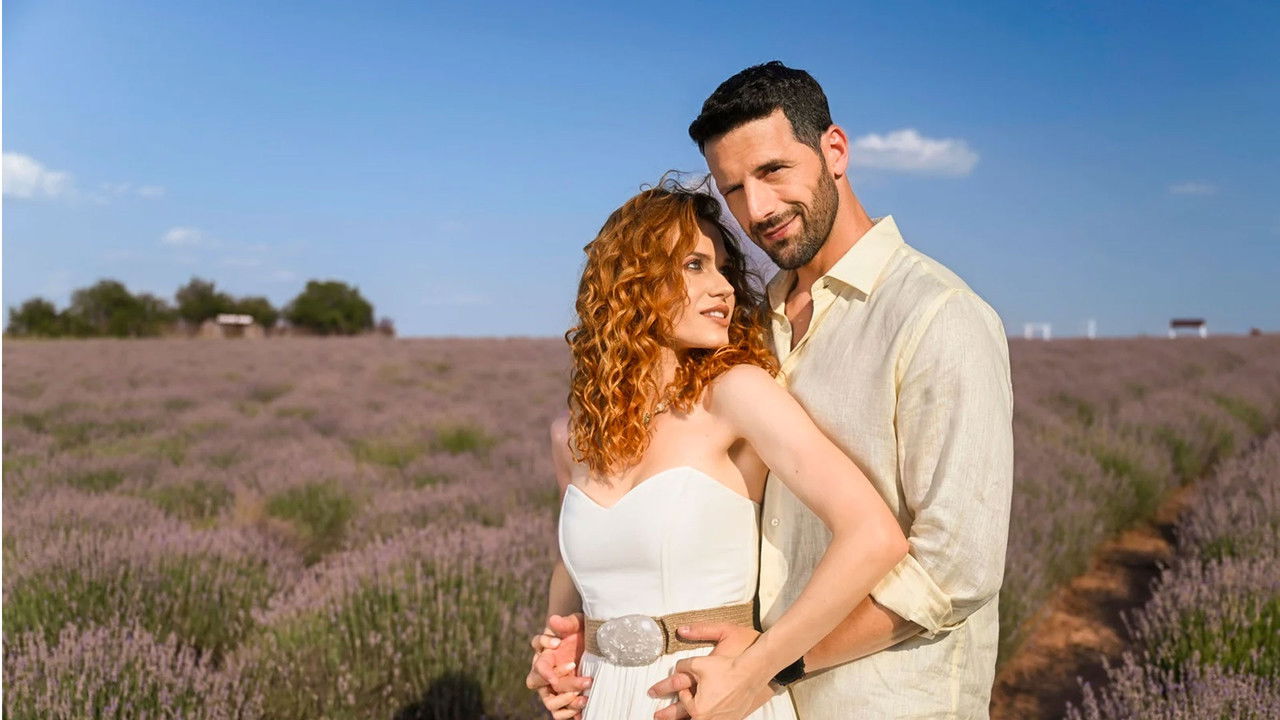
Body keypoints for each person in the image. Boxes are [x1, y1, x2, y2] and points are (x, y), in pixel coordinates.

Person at [532, 62, 1014, 720]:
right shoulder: (751, 331)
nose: (756, 210)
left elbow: (954, 572)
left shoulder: (938, 318)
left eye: (773, 171)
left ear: (834, 151)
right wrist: (580, 647)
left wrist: (769, 667)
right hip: (732, 694)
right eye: (733, 188)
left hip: (884, 703)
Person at [525, 180, 909, 720]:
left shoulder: (735, 393)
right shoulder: (573, 433)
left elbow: (874, 536)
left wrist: (760, 670)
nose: (724, 287)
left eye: (724, 268)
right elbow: (572, 567)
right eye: (694, 266)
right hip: (600, 699)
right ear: (630, 282)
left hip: (705, 700)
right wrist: (554, 654)